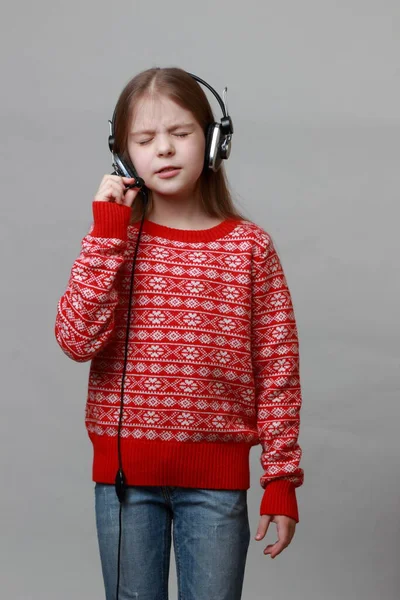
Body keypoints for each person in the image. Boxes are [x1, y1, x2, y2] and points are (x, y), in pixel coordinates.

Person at [54, 66, 304, 600]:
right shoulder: (114, 242)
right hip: (125, 483)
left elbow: (278, 367)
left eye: (181, 134)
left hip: (216, 486)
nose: (164, 150)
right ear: (123, 157)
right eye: (145, 140)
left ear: (214, 143)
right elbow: (75, 339)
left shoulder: (250, 249)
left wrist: (280, 478)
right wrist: (106, 232)